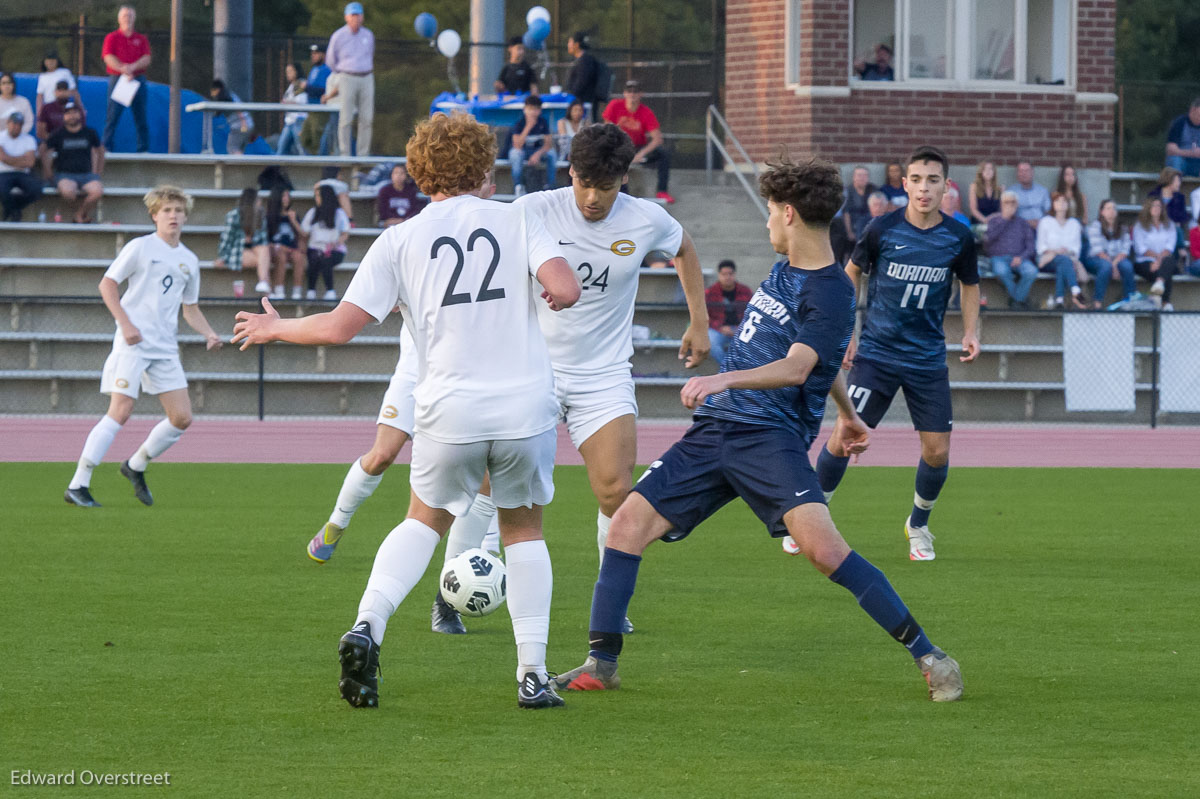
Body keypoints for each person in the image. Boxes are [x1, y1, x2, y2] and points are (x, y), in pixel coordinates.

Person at [551, 155, 963, 703]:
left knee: (824, 551)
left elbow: (798, 366)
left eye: (770, 213)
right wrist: (846, 412)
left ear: (788, 214)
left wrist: (725, 381)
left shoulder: (831, 290)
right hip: (715, 433)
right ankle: (601, 663)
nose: (767, 224)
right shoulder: (785, 269)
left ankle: (932, 658)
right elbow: (826, 361)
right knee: (626, 524)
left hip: (769, 440)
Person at [233, 111, 581, 710]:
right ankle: (531, 675)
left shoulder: (398, 239)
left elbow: (341, 327)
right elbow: (567, 288)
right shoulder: (520, 217)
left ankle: (367, 624)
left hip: (447, 406)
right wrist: (549, 289)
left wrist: (277, 326)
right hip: (524, 407)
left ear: (422, 174)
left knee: (423, 520)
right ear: (483, 166)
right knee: (523, 531)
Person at [808, 145, 980, 563]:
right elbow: (851, 274)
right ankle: (811, 516)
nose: (924, 189)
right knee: (845, 436)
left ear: (946, 187)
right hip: (877, 356)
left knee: (938, 451)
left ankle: (918, 526)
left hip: (927, 360)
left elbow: (970, 285)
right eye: (917, 180)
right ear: (905, 184)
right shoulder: (881, 229)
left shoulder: (959, 237)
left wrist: (972, 330)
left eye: (933, 181)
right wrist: (846, 331)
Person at [63, 186, 222, 508]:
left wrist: (209, 334)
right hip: (132, 343)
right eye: (166, 210)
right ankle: (78, 484)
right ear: (154, 215)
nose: (173, 215)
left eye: (178, 210)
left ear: (185, 216)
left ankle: (135, 465)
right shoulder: (140, 247)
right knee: (120, 411)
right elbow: (107, 284)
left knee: (181, 418)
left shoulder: (189, 260)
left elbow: (189, 307)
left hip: (164, 347)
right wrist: (126, 324)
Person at [602, 80, 675, 204]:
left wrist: (640, 154)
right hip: (618, 145)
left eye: (635, 92)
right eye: (629, 91)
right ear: (624, 93)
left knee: (663, 154)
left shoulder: (646, 112)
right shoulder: (615, 105)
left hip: (637, 147)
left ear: (641, 94)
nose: (632, 94)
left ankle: (662, 190)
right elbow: (607, 130)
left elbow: (657, 139)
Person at [41, 101, 105, 224]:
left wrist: (98, 171)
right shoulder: (58, 133)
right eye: (68, 113)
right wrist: (48, 172)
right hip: (64, 174)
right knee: (68, 192)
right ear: (64, 116)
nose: (71, 116)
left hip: (87, 175)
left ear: (79, 114)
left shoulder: (90, 132)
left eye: (74, 112)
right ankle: (81, 214)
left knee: (97, 192)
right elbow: (43, 150)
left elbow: (100, 151)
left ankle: (79, 215)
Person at [326, 2, 375, 157]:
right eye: (353, 15)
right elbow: (331, 60)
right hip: (347, 76)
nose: (356, 18)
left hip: (366, 76)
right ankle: (345, 154)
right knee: (346, 118)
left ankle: (363, 154)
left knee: (366, 118)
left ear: (362, 17)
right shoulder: (338, 36)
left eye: (358, 15)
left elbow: (370, 54)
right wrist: (342, 73)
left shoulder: (368, 35)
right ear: (347, 17)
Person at [101, 5, 151, 153]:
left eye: (130, 16)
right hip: (118, 80)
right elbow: (108, 57)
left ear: (134, 19)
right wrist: (123, 69)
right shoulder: (112, 37)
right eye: (124, 16)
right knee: (112, 116)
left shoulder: (141, 39)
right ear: (119, 19)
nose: (127, 19)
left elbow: (147, 58)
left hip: (137, 80)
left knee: (141, 116)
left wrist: (133, 68)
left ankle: (143, 149)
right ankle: (107, 148)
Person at [985, 191, 1038, 309]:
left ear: (1017, 204)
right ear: (1001, 204)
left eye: (1013, 202)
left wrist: (1021, 257)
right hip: (998, 258)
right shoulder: (994, 221)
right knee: (1001, 272)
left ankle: (1016, 300)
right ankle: (1020, 300)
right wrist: (1005, 219)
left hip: (1019, 258)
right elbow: (988, 240)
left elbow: (1031, 246)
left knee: (1031, 271)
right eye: (1006, 202)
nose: (1010, 205)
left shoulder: (1023, 223)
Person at [214, 187, 271, 294]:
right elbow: (226, 239)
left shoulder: (260, 216)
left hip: (256, 250)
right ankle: (266, 289)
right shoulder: (234, 215)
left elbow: (263, 239)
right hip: (236, 252)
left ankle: (264, 283)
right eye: (258, 199)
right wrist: (222, 257)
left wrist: (251, 239)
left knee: (264, 250)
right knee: (264, 260)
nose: (260, 202)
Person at [1037, 192, 1087, 310]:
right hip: (1048, 259)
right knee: (1063, 261)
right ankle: (1075, 290)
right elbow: (1041, 247)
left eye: (1064, 201)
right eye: (1057, 201)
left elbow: (1076, 248)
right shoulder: (1045, 222)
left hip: (1067, 260)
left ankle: (1059, 300)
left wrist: (1064, 253)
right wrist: (1056, 251)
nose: (1061, 204)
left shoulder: (1074, 224)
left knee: (1063, 264)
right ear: (1053, 204)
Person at [302, 183, 351, 301]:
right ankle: (311, 290)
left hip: (335, 249)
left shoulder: (339, 213)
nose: (317, 198)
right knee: (314, 259)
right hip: (315, 248)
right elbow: (304, 232)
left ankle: (330, 290)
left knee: (326, 260)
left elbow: (345, 233)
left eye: (319, 195)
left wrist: (335, 244)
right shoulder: (313, 212)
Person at [1084, 199, 1136, 309]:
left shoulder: (1123, 228)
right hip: (1096, 258)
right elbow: (1098, 251)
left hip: (1117, 259)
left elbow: (1125, 250)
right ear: (1102, 212)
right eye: (1108, 208)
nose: (1111, 211)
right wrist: (1113, 266)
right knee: (1105, 266)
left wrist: (1115, 264)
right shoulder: (1095, 226)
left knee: (1127, 266)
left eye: (1113, 208)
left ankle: (1129, 301)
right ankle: (1097, 303)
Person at [1131, 196, 1180, 311]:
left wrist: (1159, 260)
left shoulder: (1169, 225)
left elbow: (1170, 247)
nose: (1156, 208)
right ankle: (1165, 303)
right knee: (1165, 271)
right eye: (1154, 205)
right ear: (1148, 208)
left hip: (1164, 260)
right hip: (1145, 261)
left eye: (1159, 206)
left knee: (1168, 261)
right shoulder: (1139, 226)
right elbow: (1140, 248)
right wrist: (1156, 259)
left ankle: (1158, 286)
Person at [705, 259, 752, 365]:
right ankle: (728, 369)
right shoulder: (710, 292)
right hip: (718, 329)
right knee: (711, 342)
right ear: (719, 275)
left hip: (740, 329)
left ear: (734, 274)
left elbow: (752, 314)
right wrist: (720, 328)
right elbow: (704, 316)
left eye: (730, 274)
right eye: (724, 274)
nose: (727, 277)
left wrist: (740, 328)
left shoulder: (745, 291)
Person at [507, 95, 556, 195]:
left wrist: (537, 154)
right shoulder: (519, 123)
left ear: (540, 110)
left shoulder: (543, 122)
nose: (533, 112)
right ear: (525, 109)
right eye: (530, 109)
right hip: (522, 152)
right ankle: (519, 186)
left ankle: (550, 186)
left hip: (537, 151)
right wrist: (528, 127)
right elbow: (517, 145)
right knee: (515, 154)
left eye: (536, 109)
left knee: (552, 154)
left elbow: (548, 144)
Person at [0, 112, 43, 223]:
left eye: (19, 124)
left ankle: (12, 208)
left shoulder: (29, 139)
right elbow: (2, 158)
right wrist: (21, 158)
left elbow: (30, 163)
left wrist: (9, 159)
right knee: (2, 190)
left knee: (36, 190)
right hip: (3, 173)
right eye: (14, 123)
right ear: (8, 123)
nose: (16, 126)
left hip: (23, 173)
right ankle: (15, 212)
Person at [265, 186, 306, 299]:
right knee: (281, 256)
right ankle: (279, 289)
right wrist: (278, 246)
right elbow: (266, 240)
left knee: (299, 257)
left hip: (292, 249)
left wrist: (294, 221)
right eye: (283, 196)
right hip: (276, 249)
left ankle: (297, 291)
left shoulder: (293, 215)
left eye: (288, 196)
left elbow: (303, 235)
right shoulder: (269, 216)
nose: (286, 199)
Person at [305, 44, 338, 156]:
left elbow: (323, 90)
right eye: (312, 53)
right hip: (311, 110)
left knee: (318, 140)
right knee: (305, 138)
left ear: (323, 55)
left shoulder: (327, 69)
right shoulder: (314, 69)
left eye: (316, 53)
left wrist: (307, 88)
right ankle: (310, 162)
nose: (313, 56)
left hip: (320, 111)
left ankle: (318, 164)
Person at [209, 80, 255, 156]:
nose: (212, 93)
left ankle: (241, 164)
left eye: (214, 90)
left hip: (241, 125)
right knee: (238, 148)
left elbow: (239, 110)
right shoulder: (228, 95)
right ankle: (242, 163)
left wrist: (244, 123)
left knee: (232, 147)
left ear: (218, 89)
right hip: (244, 124)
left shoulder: (227, 96)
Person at [565, 32, 602, 121]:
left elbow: (581, 83)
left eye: (570, 42)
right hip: (579, 103)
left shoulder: (586, 61)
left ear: (576, 45)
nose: (568, 45)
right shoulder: (579, 60)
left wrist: (572, 96)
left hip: (585, 104)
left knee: (588, 130)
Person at [35, 50, 82, 116]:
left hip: (65, 108)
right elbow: (40, 96)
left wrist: (80, 107)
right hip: (50, 109)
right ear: (44, 62)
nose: (50, 63)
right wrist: (39, 112)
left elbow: (73, 91)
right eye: (48, 61)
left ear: (57, 61)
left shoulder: (65, 72)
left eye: (53, 61)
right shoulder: (42, 76)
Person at [276, 63, 308, 156]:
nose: (288, 74)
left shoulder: (301, 83)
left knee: (302, 148)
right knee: (281, 148)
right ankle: (277, 169)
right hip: (289, 122)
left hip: (299, 120)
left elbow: (302, 101)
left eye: (290, 71)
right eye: (287, 72)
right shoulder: (291, 86)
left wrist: (286, 103)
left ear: (297, 71)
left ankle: (308, 169)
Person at [1164, 97, 1200, 178]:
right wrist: (1191, 153)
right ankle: (1174, 186)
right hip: (1183, 162)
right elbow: (1170, 150)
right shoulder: (1179, 123)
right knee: (1175, 160)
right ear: (1192, 110)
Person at [841, 166, 876, 246]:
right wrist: (849, 232)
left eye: (865, 175)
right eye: (859, 175)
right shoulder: (848, 191)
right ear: (854, 177)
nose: (862, 178)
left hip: (870, 225)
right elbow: (846, 213)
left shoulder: (873, 189)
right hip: (853, 225)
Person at [1011, 161, 1050, 228]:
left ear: (1032, 172)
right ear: (1017, 174)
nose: (1024, 173)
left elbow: (1048, 211)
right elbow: (1009, 215)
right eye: (1021, 171)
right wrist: (1026, 223)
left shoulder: (1042, 191)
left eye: (1026, 170)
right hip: (1020, 227)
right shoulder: (1011, 192)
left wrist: (1042, 222)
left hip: (1041, 227)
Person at [0, 73, 34, 137]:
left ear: (14, 85)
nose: (7, 86)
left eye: (9, 83)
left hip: (20, 138)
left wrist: (17, 135)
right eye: (3, 83)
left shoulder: (24, 101)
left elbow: (29, 122)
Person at [968, 161, 1002, 225]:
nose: (988, 171)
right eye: (985, 169)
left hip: (995, 222)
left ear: (994, 172)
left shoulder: (999, 189)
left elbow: (1002, 211)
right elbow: (973, 210)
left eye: (990, 169)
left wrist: (993, 218)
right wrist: (985, 220)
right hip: (978, 222)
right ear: (981, 172)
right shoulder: (974, 187)